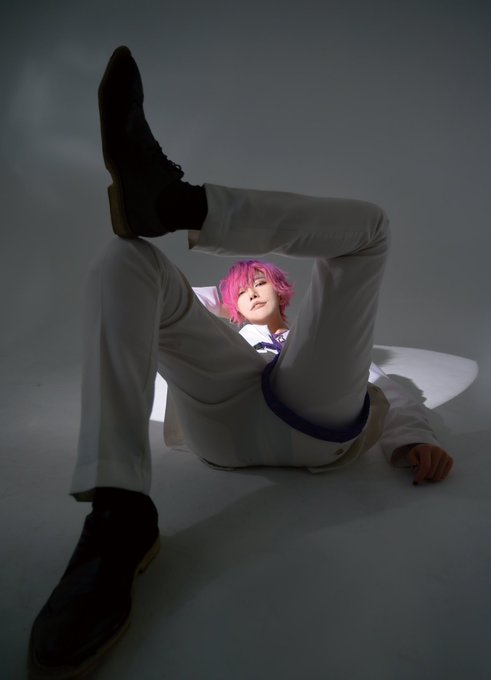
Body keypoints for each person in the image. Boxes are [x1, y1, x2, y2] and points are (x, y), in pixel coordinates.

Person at [28, 46, 453, 679]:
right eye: (240, 286)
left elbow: (387, 384)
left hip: (314, 423)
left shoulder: (319, 340)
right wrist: (219, 306)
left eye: (260, 283)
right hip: (222, 413)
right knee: (125, 258)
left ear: (282, 292)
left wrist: (414, 438)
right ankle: (117, 515)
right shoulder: (219, 319)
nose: (250, 290)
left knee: (371, 228)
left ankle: (179, 204)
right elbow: (155, 306)